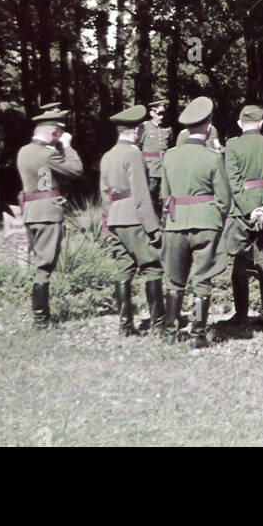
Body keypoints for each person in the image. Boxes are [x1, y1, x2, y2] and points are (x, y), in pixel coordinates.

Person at [158, 96, 230, 347]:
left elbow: (165, 197)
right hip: (206, 224)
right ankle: (198, 332)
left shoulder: (169, 156)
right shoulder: (213, 158)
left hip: (175, 224)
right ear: (208, 126)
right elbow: (224, 199)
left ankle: (169, 329)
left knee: (175, 281)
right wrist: (213, 216)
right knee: (202, 282)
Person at [99, 104, 165, 337]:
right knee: (153, 268)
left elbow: (104, 194)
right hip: (134, 218)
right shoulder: (134, 154)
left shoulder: (108, 155)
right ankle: (158, 325)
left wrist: (107, 227)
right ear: (137, 131)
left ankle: (125, 325)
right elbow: (141, 194)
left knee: (123, 271)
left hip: (115, 218)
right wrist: (153, 228)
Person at [15, 106, 83, 328]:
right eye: (59, 135)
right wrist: (68, 146)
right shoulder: (48, 153)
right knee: (45, 267)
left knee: (39, 263)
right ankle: (41, 320)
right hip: (48, 213)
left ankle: (40, 316)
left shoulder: (23, 151)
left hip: (31, 211)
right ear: (54, 133)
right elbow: (76, 171)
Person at [219, 105, 263, 333]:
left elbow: (233, 184)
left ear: (239, 124)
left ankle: (240, 314)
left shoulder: (233, 146)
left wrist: (249, 210)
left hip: (240, 210)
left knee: (239, 260)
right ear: (262, 122)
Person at [138, 99, 171, 217]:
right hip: (150, 168)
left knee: (164, 196)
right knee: (150, 195)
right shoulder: (144, 127)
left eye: (163, 114)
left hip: (164, 167)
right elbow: (137, 147)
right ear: (152, 113)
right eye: (159, 113)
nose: (161, 117)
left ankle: (163, 221)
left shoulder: (167, 128)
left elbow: (169, 147)